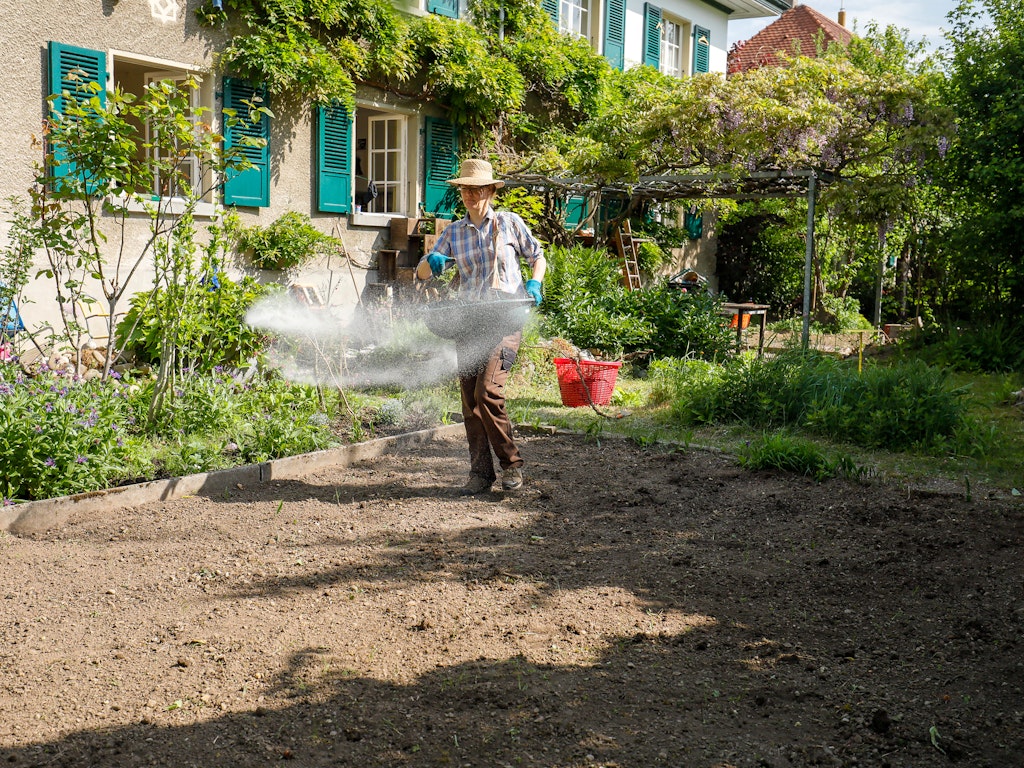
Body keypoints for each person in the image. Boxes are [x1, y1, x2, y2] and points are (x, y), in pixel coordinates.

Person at [415, 158, 546, 494]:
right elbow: (421, 273)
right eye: (465, 190)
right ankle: (480, 474)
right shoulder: (454, 233)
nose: (471, 195)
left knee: (486, 393)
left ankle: (512, 466)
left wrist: (535, 283)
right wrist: (431, 262)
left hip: (506, 318)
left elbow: (537, 255)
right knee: (469, 402)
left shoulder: (510, 223)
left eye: (477, 189)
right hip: (470, 320)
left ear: (490, 190)